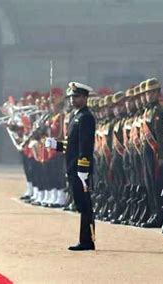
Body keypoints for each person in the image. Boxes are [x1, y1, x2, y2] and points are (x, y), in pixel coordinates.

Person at [45, 81, 96, 251]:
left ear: (85, 98)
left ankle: (87, 240)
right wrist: (56, 145)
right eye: (72, 97)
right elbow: (71, 145)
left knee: (85, 205)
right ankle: (85, 239)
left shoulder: (86, 117)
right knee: (81, 204)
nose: (74, 100)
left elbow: (85, 146)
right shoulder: (75, 116)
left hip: (80, 168)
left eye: (77, 97)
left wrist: (83, 168)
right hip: (73, 166)